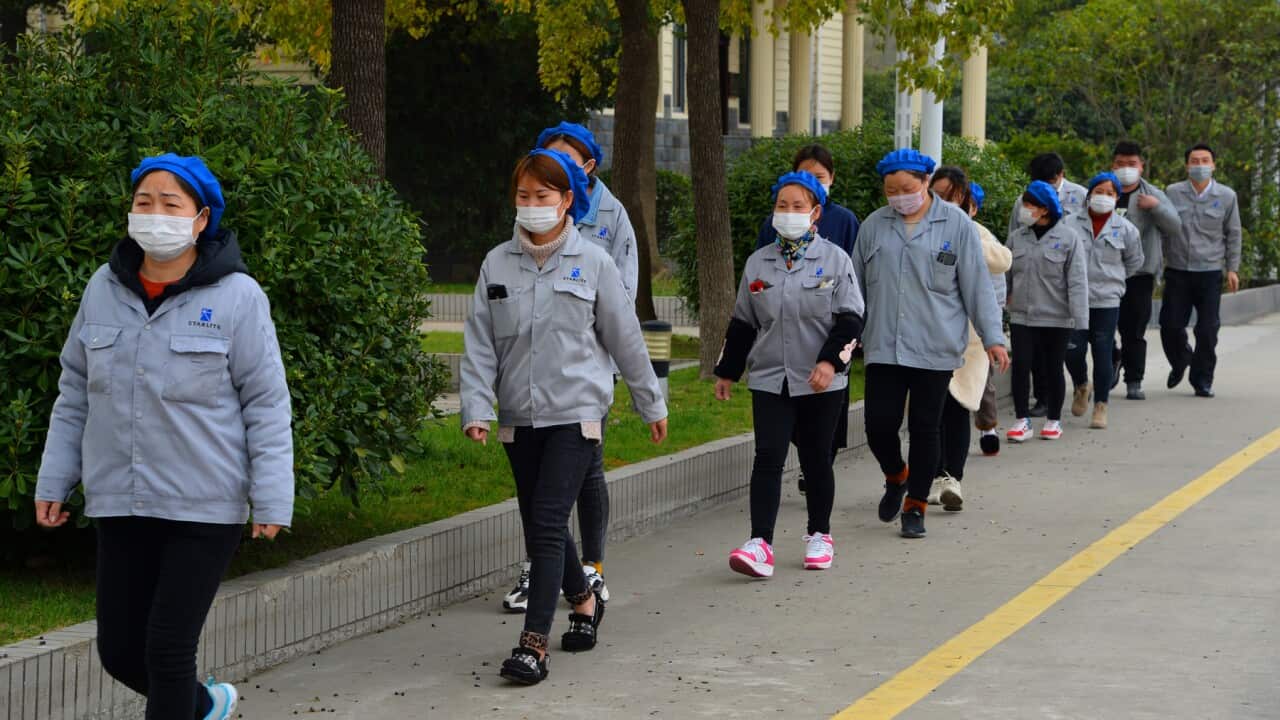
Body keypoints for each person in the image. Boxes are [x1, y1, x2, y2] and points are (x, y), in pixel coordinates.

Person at [34, 154, 293, 720]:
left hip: (203, 505)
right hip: (120, 500)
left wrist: (272, 495)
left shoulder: (238, 296)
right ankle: (207, 706)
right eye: (143, 202)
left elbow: (266, 402)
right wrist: (55, 478)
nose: (154, 215)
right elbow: (74, 390)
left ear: (201, 219)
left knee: (167, 650)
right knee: (121, 652)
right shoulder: (103, 289)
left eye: (170, 204)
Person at [460, 148, 668, 685]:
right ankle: (582, 600)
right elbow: (480, 344)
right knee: (540, 520)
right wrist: (477, 407)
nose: (532, 205)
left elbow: (625, 339)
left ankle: (533, 645)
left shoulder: (593, 262)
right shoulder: (496, 263)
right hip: (518, 416)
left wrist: (651, 403)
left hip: (577, 415)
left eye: (543, 196)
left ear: (567, 201)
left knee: (548, 523)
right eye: (524, 196)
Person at [496, 122, 639, 613]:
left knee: (585, 473)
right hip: (532, 376)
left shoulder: (613, 217)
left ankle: (590, 573)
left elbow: (621, 304)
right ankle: (546, 569)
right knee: (539, 488)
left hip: (585, 373)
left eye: (562, 162)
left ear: (586, 168)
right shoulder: (531, 208)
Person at [852, 149, 1009, 539]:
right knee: (878, 426)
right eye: (891, 189)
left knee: (925, 428)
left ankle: (916, 505)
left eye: (907, 187)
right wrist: (844, 336)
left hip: (936, 346)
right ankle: (896, 475)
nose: (899, 195)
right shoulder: (874, 225)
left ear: (925, 183)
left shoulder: (956, 224)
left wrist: (994, 338)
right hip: (884, 343)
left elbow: (976, 285)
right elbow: (852, 287)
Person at [714, 171, 863, 577]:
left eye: (798, 206)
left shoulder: (836, 260)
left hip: (820, 380)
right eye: (783, 205)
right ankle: (760, 543)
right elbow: (743, 322)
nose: (789, 213)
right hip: (770, 377)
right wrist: (728, 372)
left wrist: (830, 361)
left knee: (816, 458)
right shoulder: (758, 262)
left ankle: (820, 534)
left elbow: (851, 319)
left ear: (815, 213)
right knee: (768, 456)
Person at [752, 144, 861, 495]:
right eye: (782, 205)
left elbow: (852, 298)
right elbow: (751, 301)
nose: (789, 213)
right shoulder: (769, 235)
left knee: (822, 435)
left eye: (819, 177)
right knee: (775, 444)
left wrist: (841, 350)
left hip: (827, 345)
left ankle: (818, 482)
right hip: (778, 356)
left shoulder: (844, 223)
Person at [926, 168, 1011, 511]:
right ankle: (928, 475)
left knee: (958, 406)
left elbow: (1003, 259)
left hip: (967, 341)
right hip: (926, 336)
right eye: (939, 194)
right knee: (928, 412)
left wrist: (963, 234)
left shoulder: (974, 232)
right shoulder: (918, 230)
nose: (945, 202)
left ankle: (950, 478)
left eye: (953, 197)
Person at [1005, 181, 1089, 443]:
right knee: (1020, 366)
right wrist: (999, 310)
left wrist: (1079, 321)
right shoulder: (1017, 237)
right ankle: (1022, 420)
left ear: (1044, 209)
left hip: (1057, 317)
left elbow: (1077, 281)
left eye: (1029, 205)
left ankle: (1054, 419)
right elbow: (1004, 278)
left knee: (1053, 368)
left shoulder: (1068, 238)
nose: (1024, 209)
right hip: (1021, 315)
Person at [1161, 143, 1242, 398]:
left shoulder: (1227, 196)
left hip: (1209, 272)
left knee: (1207, 330)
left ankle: (1202, 379)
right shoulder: (1172, 193)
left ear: (1213, 165)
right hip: (1177, 270)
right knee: (1170, 326)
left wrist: (1233, 268)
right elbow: (1162, 229)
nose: (1199, 166)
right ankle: (1181, 358)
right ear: (1187, 165)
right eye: (1194, 161)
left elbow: (1234, 233)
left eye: (1205, 160)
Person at [1065, 173, 1144, 429]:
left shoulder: (1126, 229)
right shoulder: (1069, 224)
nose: (1104, 197)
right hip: (1075, 299)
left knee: (1102, 353)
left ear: (1117, 198)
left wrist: (1115, 279)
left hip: (1107, 300)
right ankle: (1081, 385)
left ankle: (1101, 405)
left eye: (1110, 193)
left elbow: (1134, 261)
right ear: (1089, 194)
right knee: (1072, 349)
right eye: (1099, 191)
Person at [1109, 141, 1182, 400]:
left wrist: (1155, 207)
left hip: (1140, 274)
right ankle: (1112, 360)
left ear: (1141, 166)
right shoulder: (1102, 190)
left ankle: (1134, 381)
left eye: (1132, 164)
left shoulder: (1153, 193)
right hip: (1104, 273)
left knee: (1134, 330)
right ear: (1112, 165)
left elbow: (1175, 226)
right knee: (1101, 328)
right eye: (1120, 164)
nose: (1125, 169)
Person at [968, 181, 1006, 457]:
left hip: (976, 325)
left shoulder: (984, 238)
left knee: (984, 379)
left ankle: (987, 426)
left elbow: (996, 284)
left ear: (974, 209)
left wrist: (991, 324)